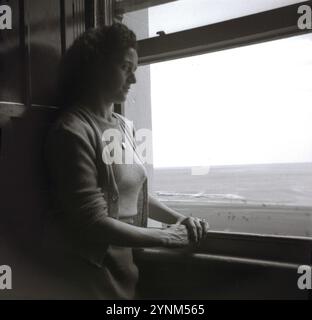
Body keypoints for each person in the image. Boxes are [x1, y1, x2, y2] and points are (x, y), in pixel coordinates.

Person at [43, 23, 210, 299]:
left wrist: (180, 220)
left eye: (134, 70)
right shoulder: (71, 131)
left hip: (126, 273)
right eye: (124, 67)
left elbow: (134, 194)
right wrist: (167, 237)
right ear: (96, 67)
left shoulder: (124, 127)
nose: (133, 80)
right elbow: (92, 222)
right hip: (88, 278)